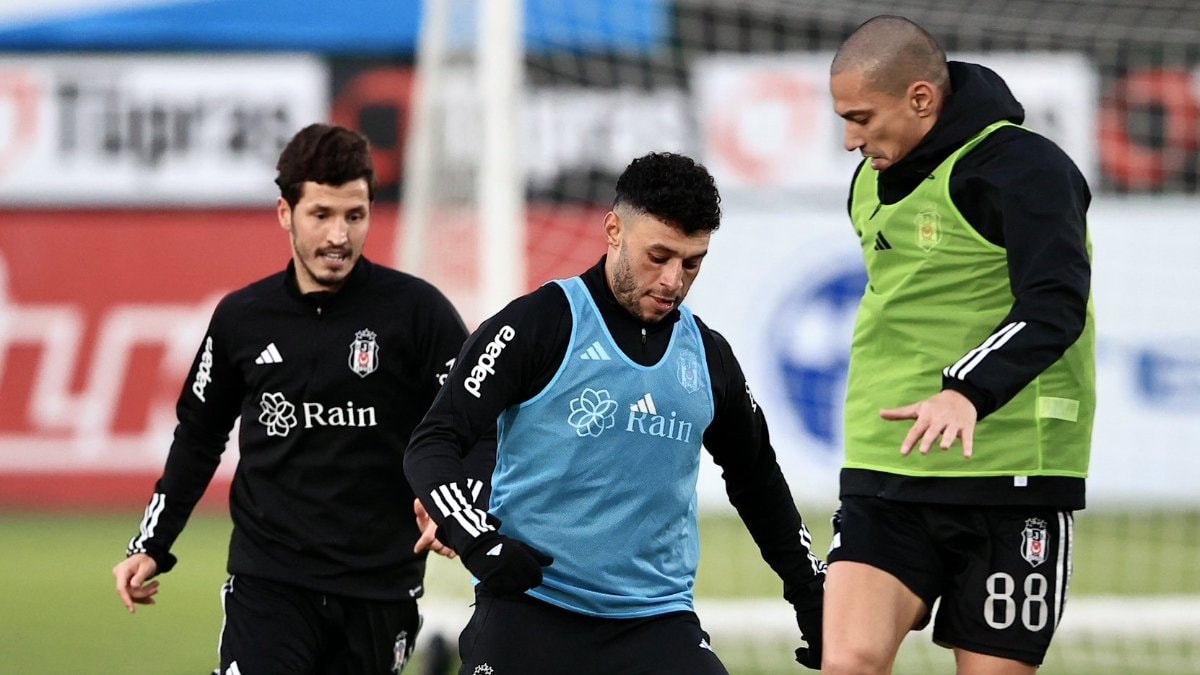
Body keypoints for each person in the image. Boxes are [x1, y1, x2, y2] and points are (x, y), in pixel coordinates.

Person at [402, 151, 827, 674]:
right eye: (659, 256)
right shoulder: (540, 324)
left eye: (691, 263)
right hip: (531, 606)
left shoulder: (707, 357)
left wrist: (809, 591)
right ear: (613, 230)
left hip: (657, 622)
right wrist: (479, 542)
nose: (672, 280)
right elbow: (433, 442)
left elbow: (757, 479)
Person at [111, 123, 492, 675]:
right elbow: (197, 437)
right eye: (321, 215)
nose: (339, 235)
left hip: (380, 589)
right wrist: (152, 543)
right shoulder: (243, 318)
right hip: (270, 583)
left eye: (354, 216)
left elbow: (479, 422)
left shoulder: (418, 313)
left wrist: (460, 500)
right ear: (285, 213)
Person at [824, 15, 1095, 675]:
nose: (850, 139)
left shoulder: (1027, 168)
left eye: (861, 119)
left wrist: (965, 391)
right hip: (888, 465)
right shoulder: (869, 180)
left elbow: (1055, 303)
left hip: (1012, 472)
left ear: (920, 98)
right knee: (849, 662)